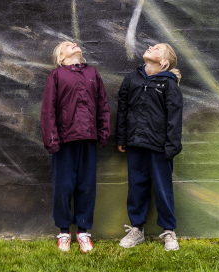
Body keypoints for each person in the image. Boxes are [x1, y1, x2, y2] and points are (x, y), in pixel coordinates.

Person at [40, 40, 111, 253]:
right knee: (63, 187)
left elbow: (103, 104)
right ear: (60, 58)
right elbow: (48, 110)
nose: (73, 43)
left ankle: (83, 232)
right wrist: (51, 139)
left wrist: (103, 132)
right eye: (66, 45)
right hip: (64, 141)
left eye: (74, 42)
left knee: (87, 186)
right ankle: (63, 232)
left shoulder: (92, 73)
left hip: (88, 139)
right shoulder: (57, 76)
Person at [116, 43, 183, 252]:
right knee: (136, 187)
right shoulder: (132, 78)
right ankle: (137, 229)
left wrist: (171, 146)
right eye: (151, 46)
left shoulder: (169, 84)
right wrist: (122, 138)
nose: (150, 47)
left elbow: (175, 117)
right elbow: (122, 109)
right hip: (135, 143)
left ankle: (169, 231)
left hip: (159, 146)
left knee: (163, 189)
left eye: (157, 48)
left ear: (164, 62)